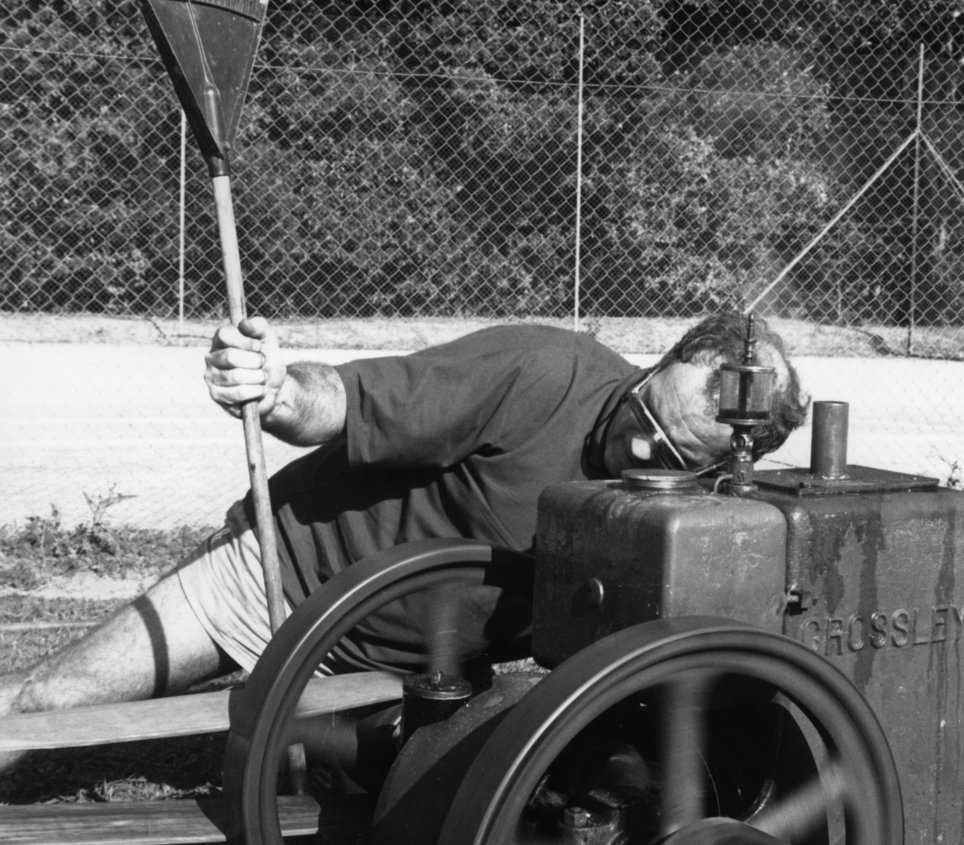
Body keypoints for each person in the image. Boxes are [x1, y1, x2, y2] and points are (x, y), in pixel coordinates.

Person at [0, 310, 806, 724]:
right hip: (285, 579)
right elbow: (346, 402)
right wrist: (276, 390)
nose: (642, 455)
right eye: (645, 419)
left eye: (674, 457)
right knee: (55, 701)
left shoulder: (701, 503)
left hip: (419, 683)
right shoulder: (539, 372)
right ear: (659, 362)